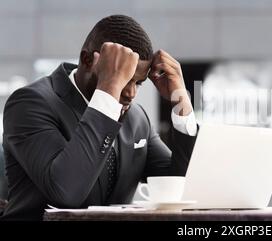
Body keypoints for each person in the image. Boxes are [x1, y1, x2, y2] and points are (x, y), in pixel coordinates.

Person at [0, 15, 198, 220]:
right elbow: (66, 190)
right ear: (87, 60)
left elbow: (179, 184)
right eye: (123, 78)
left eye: (138, 83)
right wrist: (109, 88)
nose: (131, 93)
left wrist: (181, 101)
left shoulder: (137, 118)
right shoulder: (29, 103)